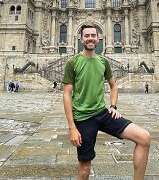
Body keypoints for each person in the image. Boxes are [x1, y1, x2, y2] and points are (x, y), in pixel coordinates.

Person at [62, 24, 150, 180]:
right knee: (85, 168)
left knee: (144, 138)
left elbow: (113, 85)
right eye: (87, 35)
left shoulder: (103, 61)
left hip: (102, 113)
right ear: (80, 38)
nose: (90, 38)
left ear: (99, 38)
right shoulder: (72, 62)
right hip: (83, 118)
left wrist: (113, 106)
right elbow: (67, 95)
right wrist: (72, 128)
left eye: (93, 35)